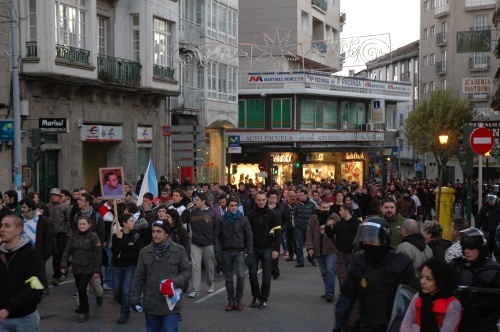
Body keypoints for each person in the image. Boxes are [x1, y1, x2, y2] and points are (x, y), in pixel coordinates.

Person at [333, 217, 415, 332]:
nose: (367, 244)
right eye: (365, 240)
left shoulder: (401, 264)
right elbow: (347, 295)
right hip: (365, 325)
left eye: (372, 240)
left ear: (384, 239)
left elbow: (411, 302)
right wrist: (339, 324)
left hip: (392, 327)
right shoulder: (359, 261)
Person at [130, 220, 191, 332]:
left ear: (166, 233)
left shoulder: (178, 250)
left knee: (169, 330)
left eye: (159, 231)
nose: (155, 234)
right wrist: (134, 297)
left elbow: (187, 271)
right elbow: (139, 276)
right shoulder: (145, 252)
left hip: (171, 304)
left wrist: (173, 282)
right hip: (151, 303)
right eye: (153, 231)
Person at [449, 227, 500, 331]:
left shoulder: (493, 270)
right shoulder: (456, 266)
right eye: (465, 248)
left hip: (485, 324)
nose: (467, 251)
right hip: (460, 323)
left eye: (471, 248)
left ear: (481, 249)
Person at [0, 214, 43, 331]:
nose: (2, 229)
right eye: (1, 226)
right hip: (2, 319)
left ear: (19, 230)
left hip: (24, 318)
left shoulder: (31, 255)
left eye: (7, 226)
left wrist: (8, 309)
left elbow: (33, 287)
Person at [60, 215, 103, 323]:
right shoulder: (74, 236)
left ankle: (83, 311)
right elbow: (67, 250)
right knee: (80, 289)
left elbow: (98, 254)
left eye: (84, 224)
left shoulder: (94, 236)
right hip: (76, 266)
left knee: (81, 288)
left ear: (89, 225)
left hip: (89, 267)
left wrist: (97, 270)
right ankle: (85, 308)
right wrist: (63, 264)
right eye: (80, 224)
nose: (82, 226)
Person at [400, 258, 461, 332]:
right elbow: (405, 326)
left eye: (428, 279)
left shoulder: (452, 305)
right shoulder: (418, 297)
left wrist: (415, 328)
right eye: (421, 277)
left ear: (440, 281)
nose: (422, 282)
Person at [214, 196, 253, 311]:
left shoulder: (243, 219)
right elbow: (216, 237)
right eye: (231, 205)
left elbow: (249, 236)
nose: (234, 207)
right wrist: (217, 251)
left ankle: (239, 299)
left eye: (235, 205)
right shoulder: (222, 219)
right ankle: (231, 301)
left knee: (241, 276)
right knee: (228, 279)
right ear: (227, 206)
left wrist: (250, 252)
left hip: (240, 251)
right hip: (226, 252)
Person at [247, 192, 281, 309]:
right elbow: (247, 233)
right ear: (255, 201)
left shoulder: (272, 215)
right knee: (252, 273)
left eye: (263, 200)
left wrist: (276, 249)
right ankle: (256, 296)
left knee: (266, 276)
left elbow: (278, 233)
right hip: (254, 249)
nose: (261, 202)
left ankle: (264, 298)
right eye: (259, 200)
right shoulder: (250, 215)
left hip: (268, 248)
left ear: (266, 200)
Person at [182, 193, 218, 298]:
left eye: (197, 200)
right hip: (195, 243)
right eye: (195, 199)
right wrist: (187, 210)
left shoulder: (212, 212)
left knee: (210, 265)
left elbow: (218, 226)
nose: (195, 202)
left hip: (209, 243)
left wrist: (216, 240)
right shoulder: (192, 212)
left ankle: (210, 284)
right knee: (195, 266)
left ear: (203, 201)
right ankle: (195, 289)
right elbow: (183, 219)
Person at [305, 201, 340, 303]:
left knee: (330, 270)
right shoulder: (314, 218)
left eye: (327, 207)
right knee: (324, 272)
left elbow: (340, 231)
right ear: (319, 207)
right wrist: (310, 247)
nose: (325, 209)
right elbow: (309, 233)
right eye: (323, 207)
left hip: (331, 248)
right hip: (318, 248)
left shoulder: (335, 217)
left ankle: (330, 293)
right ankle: (327, 290)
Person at [111, 213, 141, 324]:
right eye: (131, 221)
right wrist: (119, 239)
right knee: (116, 291)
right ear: (124, 223)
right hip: (117, 266)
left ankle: (124, 313)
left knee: (126, 291)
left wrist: (123, 255)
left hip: (130, 266)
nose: (133, 223)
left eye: (133, 220)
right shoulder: (116, 235)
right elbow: (115, 252)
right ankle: (128, 303)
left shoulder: (136, 236)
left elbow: (136, 253)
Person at [20, 198, 53, 294]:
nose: (22, 209)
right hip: (24, 251)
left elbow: (48, 238)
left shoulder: (41, 220)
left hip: (38, 252)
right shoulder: (20, 219)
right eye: (21, 207)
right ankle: (33, 289)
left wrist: (46, 253)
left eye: (24, 207)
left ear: (30, 208)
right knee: (29, 272)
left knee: (39, 271)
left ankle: (42, 289)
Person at [328, 203, 361, 287]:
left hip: (354, 253)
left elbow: (361, 238)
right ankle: (343, 294)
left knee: (356, 274)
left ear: (347, 211)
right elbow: (330, 236)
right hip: (341, 253)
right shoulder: (339, 224)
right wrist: (328, 227)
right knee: (342, 276)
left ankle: (355, 294)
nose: (339, 212)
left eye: (341, 210)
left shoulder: (358, 223)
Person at [47, 188, 72, 286]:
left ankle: (62, 271)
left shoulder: (65, 207)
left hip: (61, 233)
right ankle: (57, 274)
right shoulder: (47, 206)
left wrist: (65, 230)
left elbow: (69, 220)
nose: (54, 197)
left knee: (61, 254)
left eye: (56, 195)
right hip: (51, 234)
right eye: (52, 195)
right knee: (55, 254)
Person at [294, 189, 318, 267]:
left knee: (310, 244)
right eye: (299, 195)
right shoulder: (297, 205)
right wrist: (295, 224)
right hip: (299, 227)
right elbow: (294, 216)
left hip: (309, 228)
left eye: (301, 195)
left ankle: (311, 258)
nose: (299, 197)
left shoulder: (312, 204)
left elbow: (316, 216)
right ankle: (300, 262)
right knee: (298, 245)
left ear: (306, 195)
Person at [476, 193, 500, 259]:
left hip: (496, 233)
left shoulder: (498, 208)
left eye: (492, 200)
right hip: (486, 231)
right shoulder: (484, 208)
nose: (491, 202)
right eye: (490, 200)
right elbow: (479, 219)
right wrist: (477, 228)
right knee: (487, 250)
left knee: (497, 251)